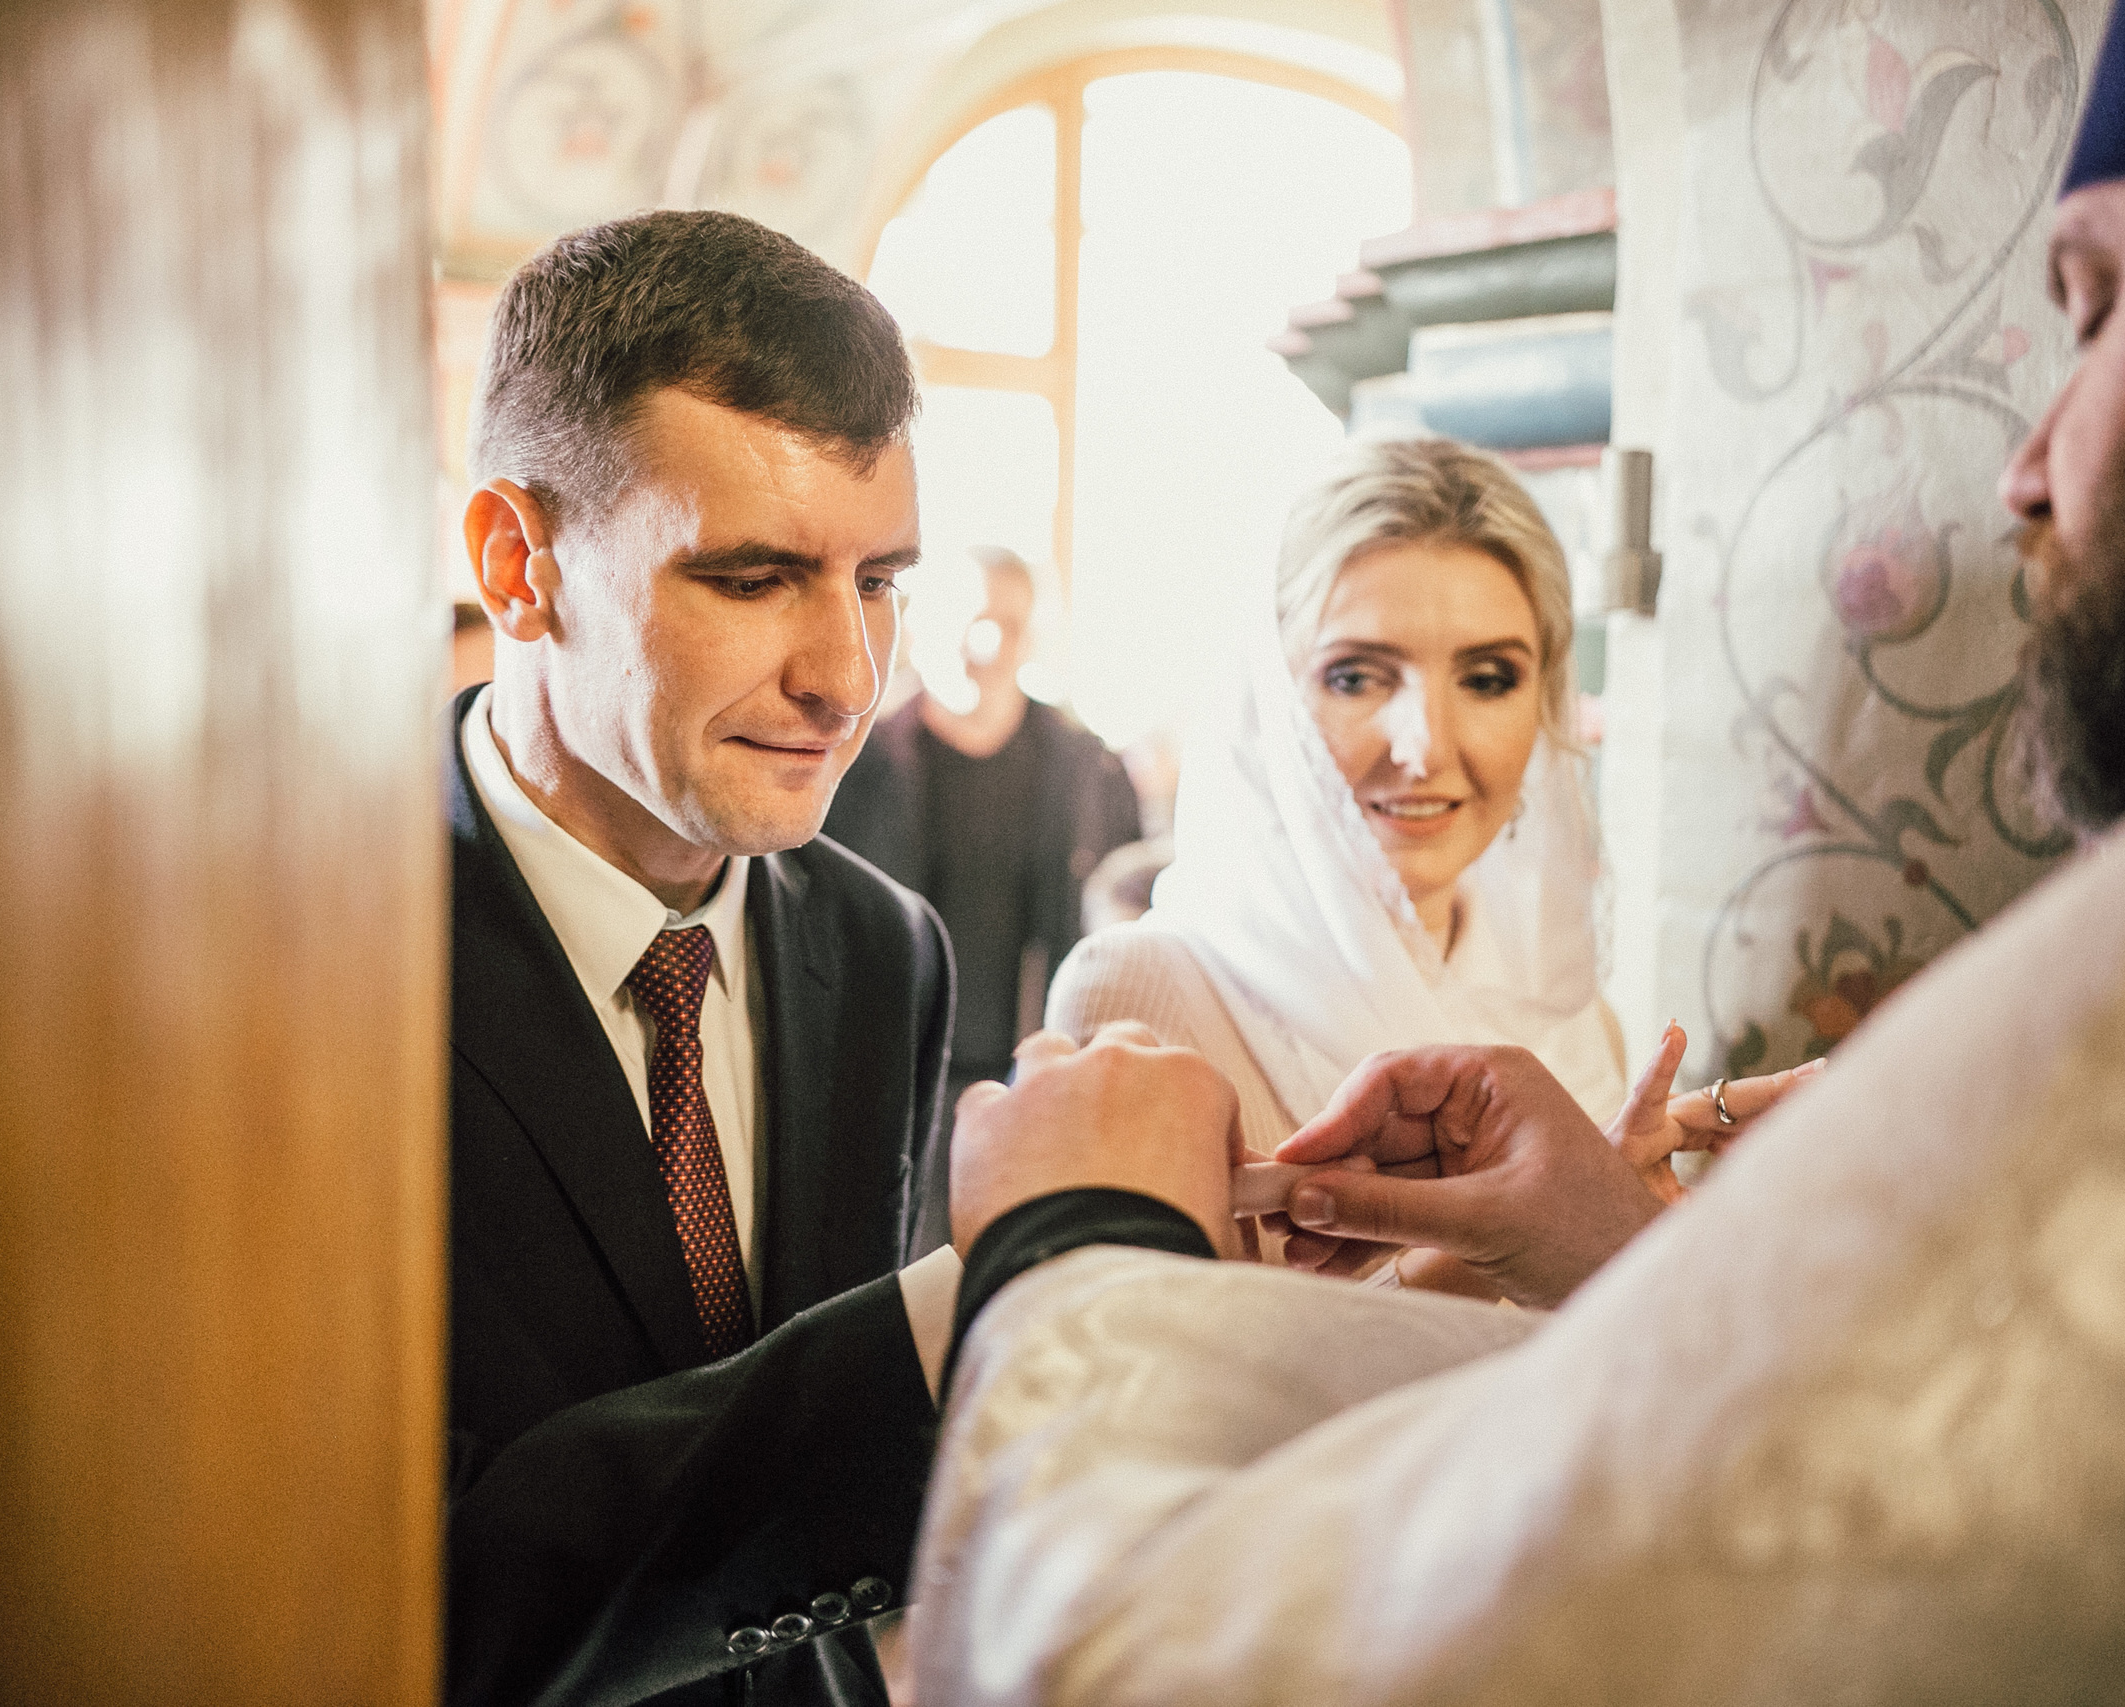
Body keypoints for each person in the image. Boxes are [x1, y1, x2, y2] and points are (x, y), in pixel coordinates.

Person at [910, 0, 2125, 1697]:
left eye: (2100, 305)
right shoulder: (1151, 984)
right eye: (1357, 673)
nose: (2022, 470)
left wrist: (1080, 1245)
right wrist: (1632, 1241)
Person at [443, 211, 958, 1707]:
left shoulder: (884, 951)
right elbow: (427, 1590)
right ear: (516, 562)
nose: (846, 679)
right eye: (752, 578)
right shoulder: (305, 958)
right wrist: (952, 1320)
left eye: (876, 581)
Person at [1043, 438, 1632, 1288]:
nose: (1424, 747)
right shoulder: (1141, 995)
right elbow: (1123, 1392)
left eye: (1489, 678)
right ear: (1270, 704)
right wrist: (1477, 1268)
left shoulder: (1580, 1016)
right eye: (1357, 677)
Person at [823, 548, 1140, 1125]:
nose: (989, 646)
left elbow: (1127, 930)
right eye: (972, 621)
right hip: (882, 1081)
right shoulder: (850, 770)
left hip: (1041, 1084)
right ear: (917, 628)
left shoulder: (1090, 772)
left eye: (1010, 626)